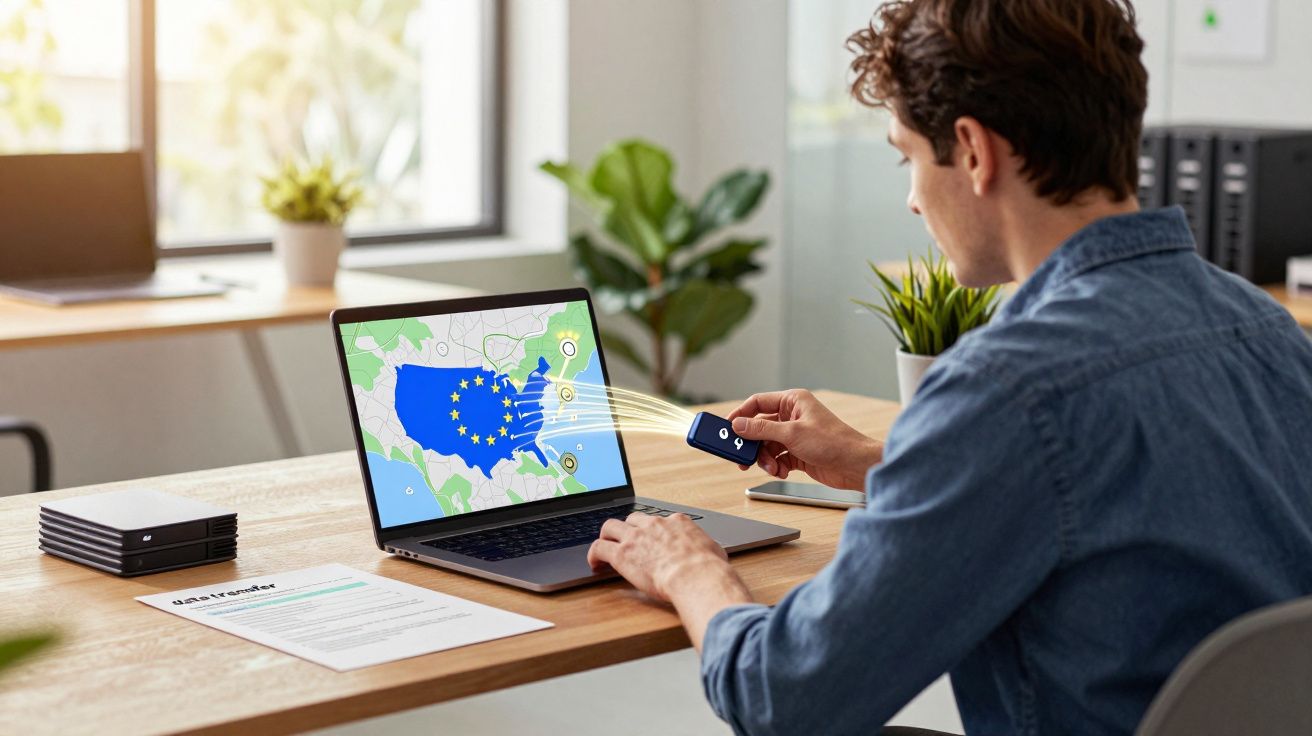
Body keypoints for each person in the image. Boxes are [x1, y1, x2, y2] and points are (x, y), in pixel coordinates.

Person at [585, 0, 1312, 733]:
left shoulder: (1009, 389)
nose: (909, 198)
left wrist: (689, 568)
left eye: (907, 156)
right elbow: (1122, 497)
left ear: (972, 150)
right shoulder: (1268, 330)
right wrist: (886, 462)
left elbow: (783, 697)